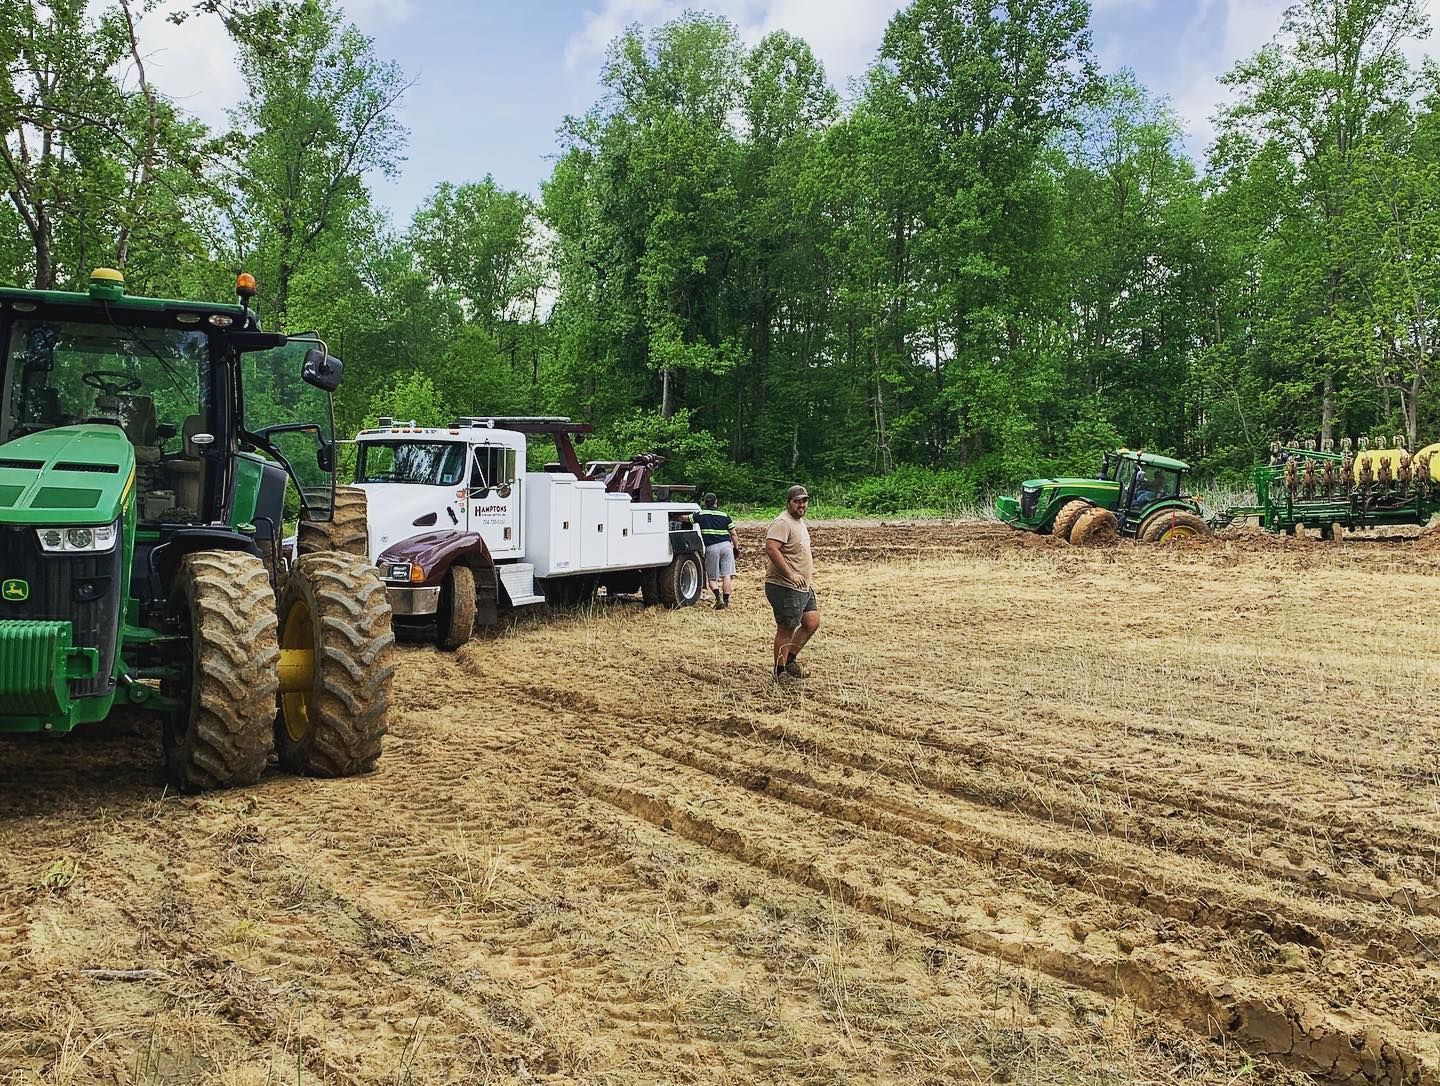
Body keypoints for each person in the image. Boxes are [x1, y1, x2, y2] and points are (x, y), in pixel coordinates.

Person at [764, 484, 819, 680]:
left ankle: (790, 660)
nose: (802, 505)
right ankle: (779, 672)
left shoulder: (799, 522)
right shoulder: (782, 522)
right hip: (784, 585)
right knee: (786, 628)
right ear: (789, 502)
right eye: (797, 501)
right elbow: (772, 549)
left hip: (803, 585)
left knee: (811, 622)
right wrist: (790, 574)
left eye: (804, 501)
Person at [697, 492, 739, 608]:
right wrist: (736, 548)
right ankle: (726, 602)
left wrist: (676, 517)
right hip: (726, 546)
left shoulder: (701, 514)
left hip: (712, 548)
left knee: (712, 577)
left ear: (705, 502)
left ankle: (718, 598)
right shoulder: (724, 515)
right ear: (716, 502)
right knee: (726, 575)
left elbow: (686, 518)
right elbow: (734, 534)